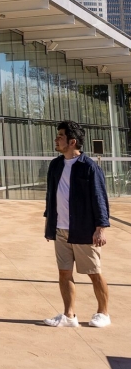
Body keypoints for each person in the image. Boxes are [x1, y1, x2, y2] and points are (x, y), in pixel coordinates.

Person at [43, 120, 111, 328]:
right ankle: (69, 315)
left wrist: (100, 228)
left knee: (93, 272)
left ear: (72, 141)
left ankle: (103, 313)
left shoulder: (89, 167)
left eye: (60, 136)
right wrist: (49, 225)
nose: (56, 139)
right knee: (64, 272)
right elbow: (51, 196)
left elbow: (100, 198)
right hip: (60, 229)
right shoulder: (55, 165)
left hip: (83, 229)